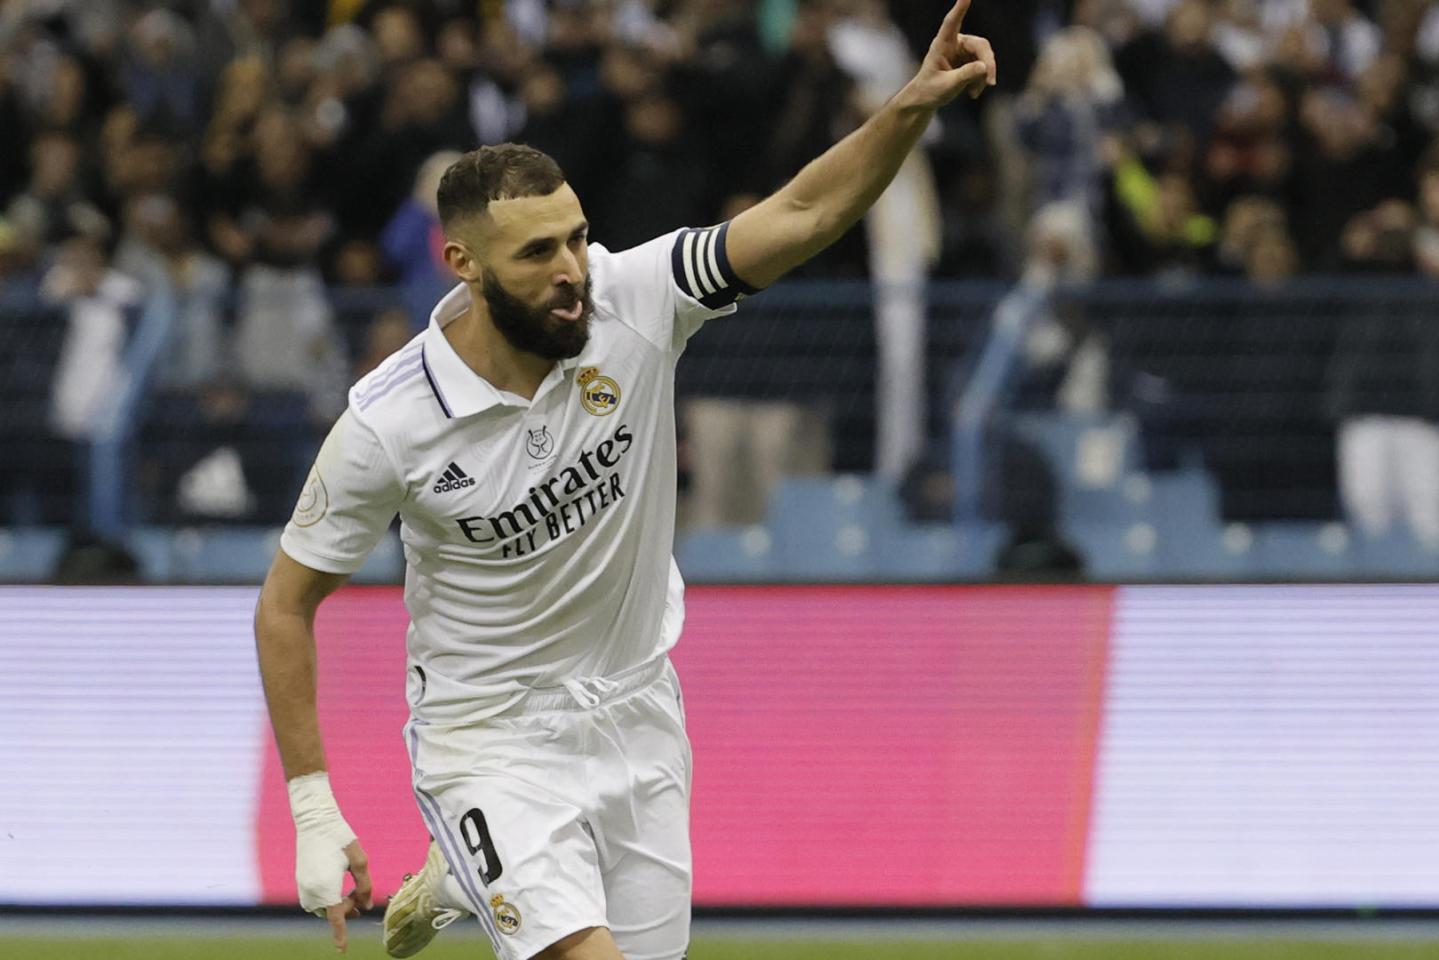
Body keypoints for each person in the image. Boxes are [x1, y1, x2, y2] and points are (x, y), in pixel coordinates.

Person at [252, 6, 996, 960]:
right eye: (536, 254)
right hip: (488, 740)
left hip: (638, 713)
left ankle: (458, 881)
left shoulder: (637, 297)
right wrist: (313, 809)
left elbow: (804, 212)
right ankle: (472, 849)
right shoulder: (387, 424)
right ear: (464, 266)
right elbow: (286, 603)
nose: (571, 272)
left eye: (575, 237)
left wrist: (908, 110)